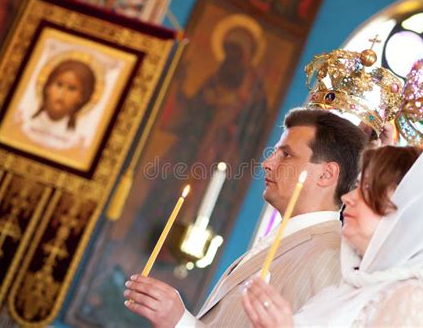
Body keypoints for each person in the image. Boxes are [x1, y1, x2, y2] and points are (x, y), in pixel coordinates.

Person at [123, 108, 367, 327]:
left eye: (286, 154)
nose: (267, 163)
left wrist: (180, 322)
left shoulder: (331, 256)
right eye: (274, 153)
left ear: (326, 174)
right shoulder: (285, 237)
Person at [242, 146, 423, 327]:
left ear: (408, 212)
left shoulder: (415, 298)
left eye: (367, 189)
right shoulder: (343, 292)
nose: (347, 198)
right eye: (356, 186)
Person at [21, 59, 95, 150]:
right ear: (48, 87)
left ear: (81, 97)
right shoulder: (24, 118)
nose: (62, 93)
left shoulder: (79, 136)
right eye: (59, 85)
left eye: (71, 89)